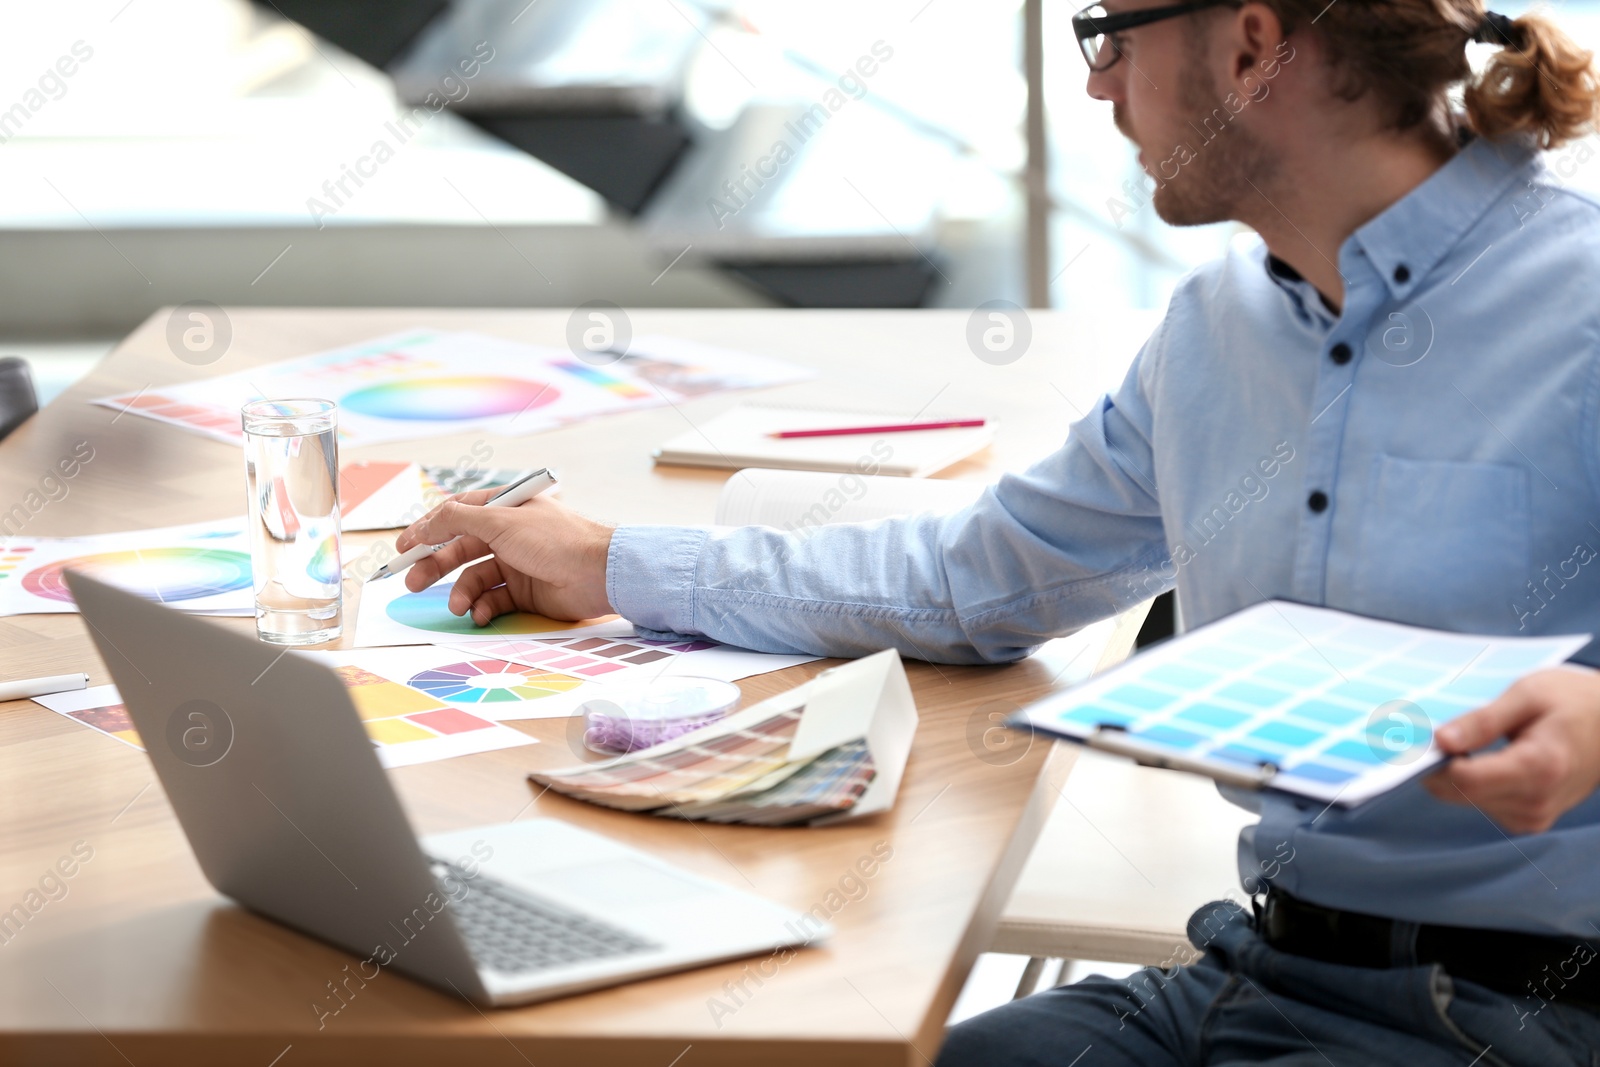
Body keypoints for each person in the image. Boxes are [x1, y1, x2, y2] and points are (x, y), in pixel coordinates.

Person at [394, 0, 1600, 1061]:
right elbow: (978, 577)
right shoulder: (1216, 330)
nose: (1094, 84)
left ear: (1249, 49)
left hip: (1521, 1016)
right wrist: (609, 560)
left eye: (1112, 35)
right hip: (1257, 971)